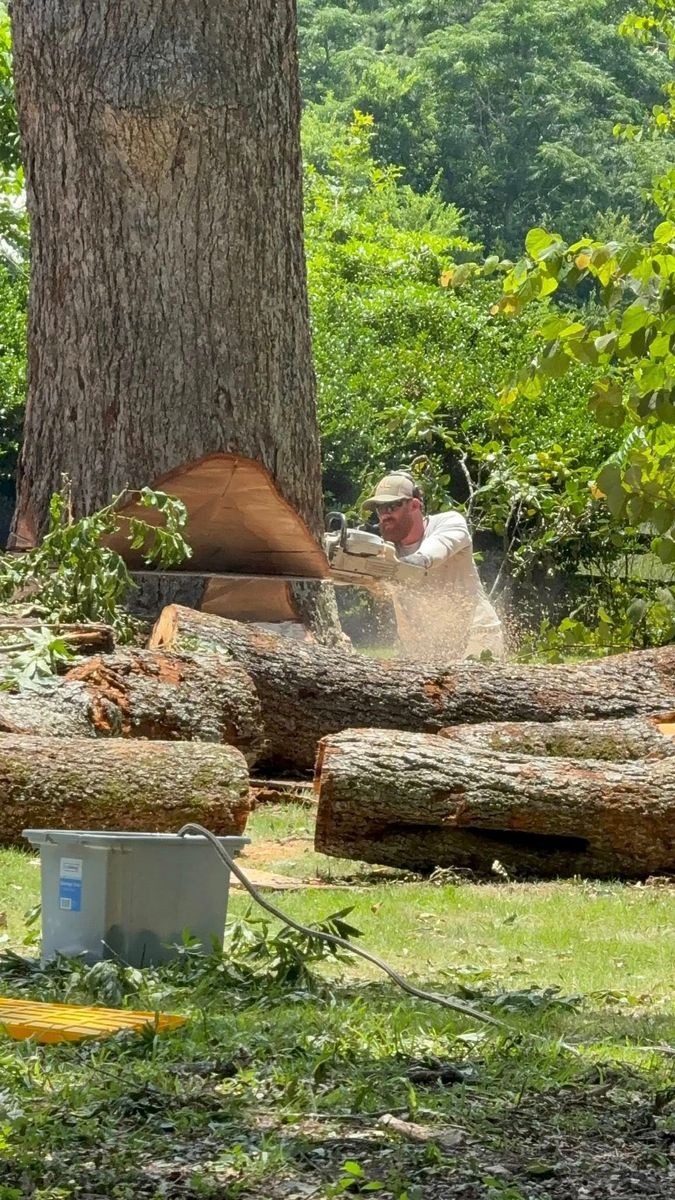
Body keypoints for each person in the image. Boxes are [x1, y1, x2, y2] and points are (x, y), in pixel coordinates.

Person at [362, 471, 504, 659]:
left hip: (476, 638)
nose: (385, 515)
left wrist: (412, 562)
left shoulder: (449, 523)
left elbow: (437, 548)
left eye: (392, 506)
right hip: (421, 647)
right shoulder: (386, 549)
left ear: (414, 504)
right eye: (380, 509)